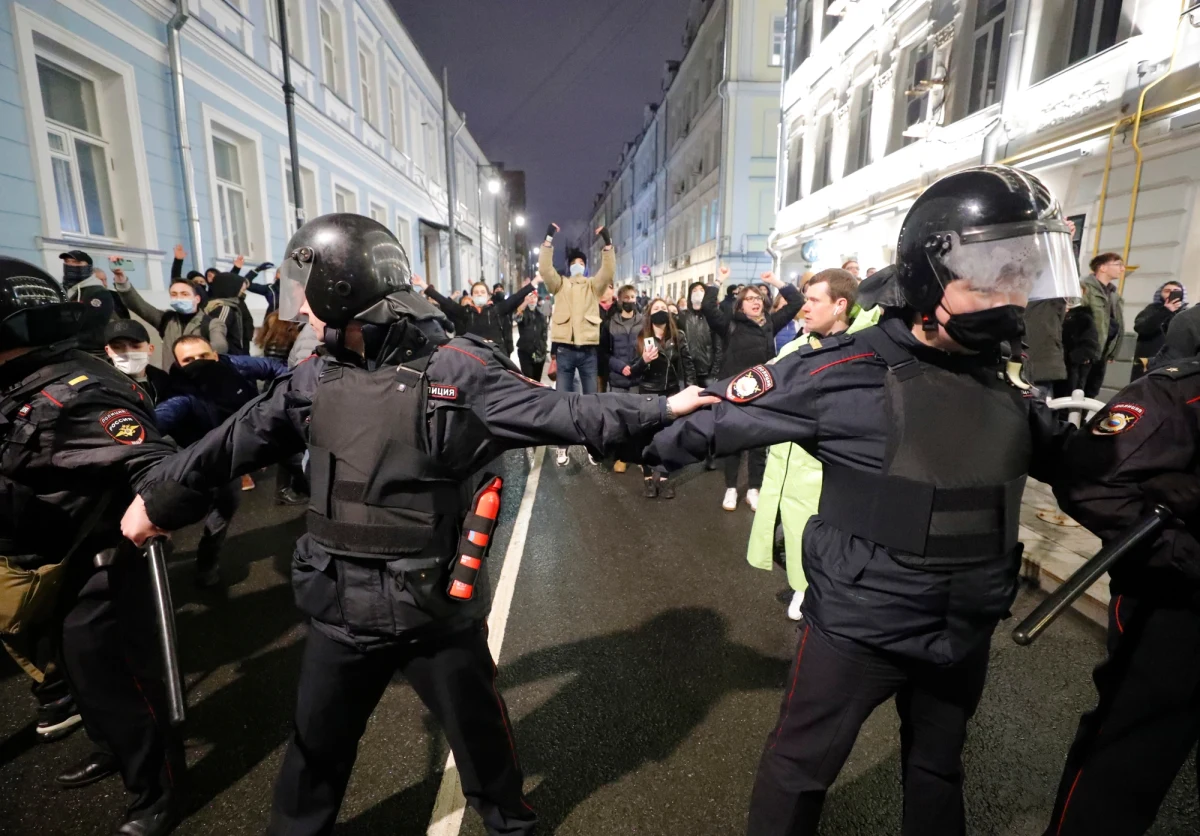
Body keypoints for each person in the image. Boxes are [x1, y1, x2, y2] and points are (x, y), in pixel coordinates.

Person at [119, 213, 714, 836]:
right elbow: (231, 442)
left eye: (307, 287)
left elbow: (563, 410)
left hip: (430, 608)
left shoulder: (457, 371)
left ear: (340, 291)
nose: (298, 307)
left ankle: (512, 825)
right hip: (339, 606)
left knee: (480, 739)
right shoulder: (313, 378)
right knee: (314, 754)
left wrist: (659, 407)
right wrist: (156, 501)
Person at [645, 165, 1078, 836]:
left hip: (962, 633)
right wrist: (625, 431)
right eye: (992, 276)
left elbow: (1104, 476)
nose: (1013, 297)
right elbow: (702, 421)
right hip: (858, 631)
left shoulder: (1009, 392)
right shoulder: (840, 372)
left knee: (938, 772)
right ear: (932, 274)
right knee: (799, 771)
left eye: (1022, 275)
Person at [0, 257, 191, 836]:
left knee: (116, 678)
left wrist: (153, 500)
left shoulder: (76, 391)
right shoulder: (25, 378)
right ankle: (113, 750)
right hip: (48, 561)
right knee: (82, 676)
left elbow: (156, 465)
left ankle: (156, 789)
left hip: (100, 562)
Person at [1045, 361, 1200, 835]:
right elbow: (1089, 478)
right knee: (1127, 755)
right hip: (1177, 604)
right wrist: (1185, 552)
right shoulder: (1180, 393)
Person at [747, 269, 874, 622]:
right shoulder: (795, 347)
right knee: (784, 534)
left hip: (830, 474)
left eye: (814, 300)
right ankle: (807, 586)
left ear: (840, 306)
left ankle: (815, 593)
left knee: (824, 540)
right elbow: (762, 386)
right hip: (786, 464)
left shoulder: (863, 351)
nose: (805, 307)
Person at [155, 336, 287, 586]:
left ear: (215, 355)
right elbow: (159, 420)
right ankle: (156, 559)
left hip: (229, 458)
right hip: (194, 458)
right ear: (178, 364)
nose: (198, 363)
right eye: (189, 360)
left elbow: (273, 366)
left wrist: (283, 396)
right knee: (170, 513)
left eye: (203, 356)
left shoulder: (233, 365)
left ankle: (206, 565)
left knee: (225, 508)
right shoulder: (180, 394)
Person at [701, 273, 803, 512]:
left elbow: (797, 302)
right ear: (740, 304)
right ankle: (731, 489)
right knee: (734, 439)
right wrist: (718, 282)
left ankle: (754, 489)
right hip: (735, 389)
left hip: (763, 389)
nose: (755, 302)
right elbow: (707, 306)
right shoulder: (730, 323)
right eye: (749, 299)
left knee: (759, 441)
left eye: (758, 298)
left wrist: (776, 281)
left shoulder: (769, 323)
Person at [538, 223, 616, 466]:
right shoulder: (559, 284)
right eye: (575, 263)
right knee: (564, 401)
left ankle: (592, 447)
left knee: (592, 401)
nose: (578, 266)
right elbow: (545, 268)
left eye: (581, 263)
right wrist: (548, 238)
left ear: (585, 266)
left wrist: (607, 240)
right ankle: (563, 447)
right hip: (565, 352)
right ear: (570, 266)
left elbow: (608, 269)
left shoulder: (594, 286)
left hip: (588, 352)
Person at [630, 299, 695, 498]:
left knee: (669, 435)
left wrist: (691, 389)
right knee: (647, 436)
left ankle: (664, 477)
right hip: (648, 393)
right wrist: (644, 361)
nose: (660, 312)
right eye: (656, 309)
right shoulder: (641, 338)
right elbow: (632, 371)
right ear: (649, 314)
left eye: (664, 309)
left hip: (672, 392)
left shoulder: (678, 336)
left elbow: (688, 363)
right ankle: (648, 477)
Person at [112, 264, 227, 359]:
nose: (179, 298)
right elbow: (138, 306)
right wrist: (122, 282)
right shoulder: (166, 319)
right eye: (174, 294)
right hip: (171, 381)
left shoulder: (212, 323)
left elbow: (220, 345)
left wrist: (196, 355)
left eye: (184, 294)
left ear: (197, 299)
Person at [417, 277, 535, 348]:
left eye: (482, 292)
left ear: (488, 296)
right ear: (472, 296)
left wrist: (534, 283)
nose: (479, 294)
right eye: (476, 292)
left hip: (494, 358)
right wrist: (424, 285)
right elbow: (444, 301)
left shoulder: (497, 310)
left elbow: (516, 297)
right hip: (471, 358)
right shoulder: (465, 312)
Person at [1082, 252, 1126, 397]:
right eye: (1118, 264)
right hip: (1085, 353)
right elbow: (1078, 319)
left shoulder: (1113, 294)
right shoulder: (1085, 288)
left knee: (1091, 393)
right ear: (1102, 268)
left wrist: (1113, 351)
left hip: (1102, 353)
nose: (1122, 269)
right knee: (1075, 392)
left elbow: (1116, 323)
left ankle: (1082, 420)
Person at [104, 319, 175, 406]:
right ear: (108, 351)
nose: (128, 352)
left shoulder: (162, 380)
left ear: (150, 349)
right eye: (118, 347)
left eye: (135, 346)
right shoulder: (101, 383)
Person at [1131, 281, 1185, 380]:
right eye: (1167, 291)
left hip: (1174, 363)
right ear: (1161, 293)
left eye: (1176, 291)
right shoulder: (1151, 309)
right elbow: (1141, 328)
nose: (1171, 293)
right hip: (1149, 361)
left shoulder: (1186, 313)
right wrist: (1165, 310)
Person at [204, 271, 251, 355]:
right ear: (231, 287)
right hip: (229, 355)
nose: (243, 292)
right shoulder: (224, 308)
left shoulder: (230, 304)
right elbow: (218, 336)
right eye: (241, 289)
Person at [514, 285, 548, 381]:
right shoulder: (523, 312)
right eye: (530, 297)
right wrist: (525, 303)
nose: (532, 300)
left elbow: (544, 334)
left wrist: (544, 350)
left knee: (537, 381)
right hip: (525, 351)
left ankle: (537, 396)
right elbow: (516, 317)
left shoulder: (541, 316)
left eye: (534, 297)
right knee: (528, 380)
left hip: (539, 353)